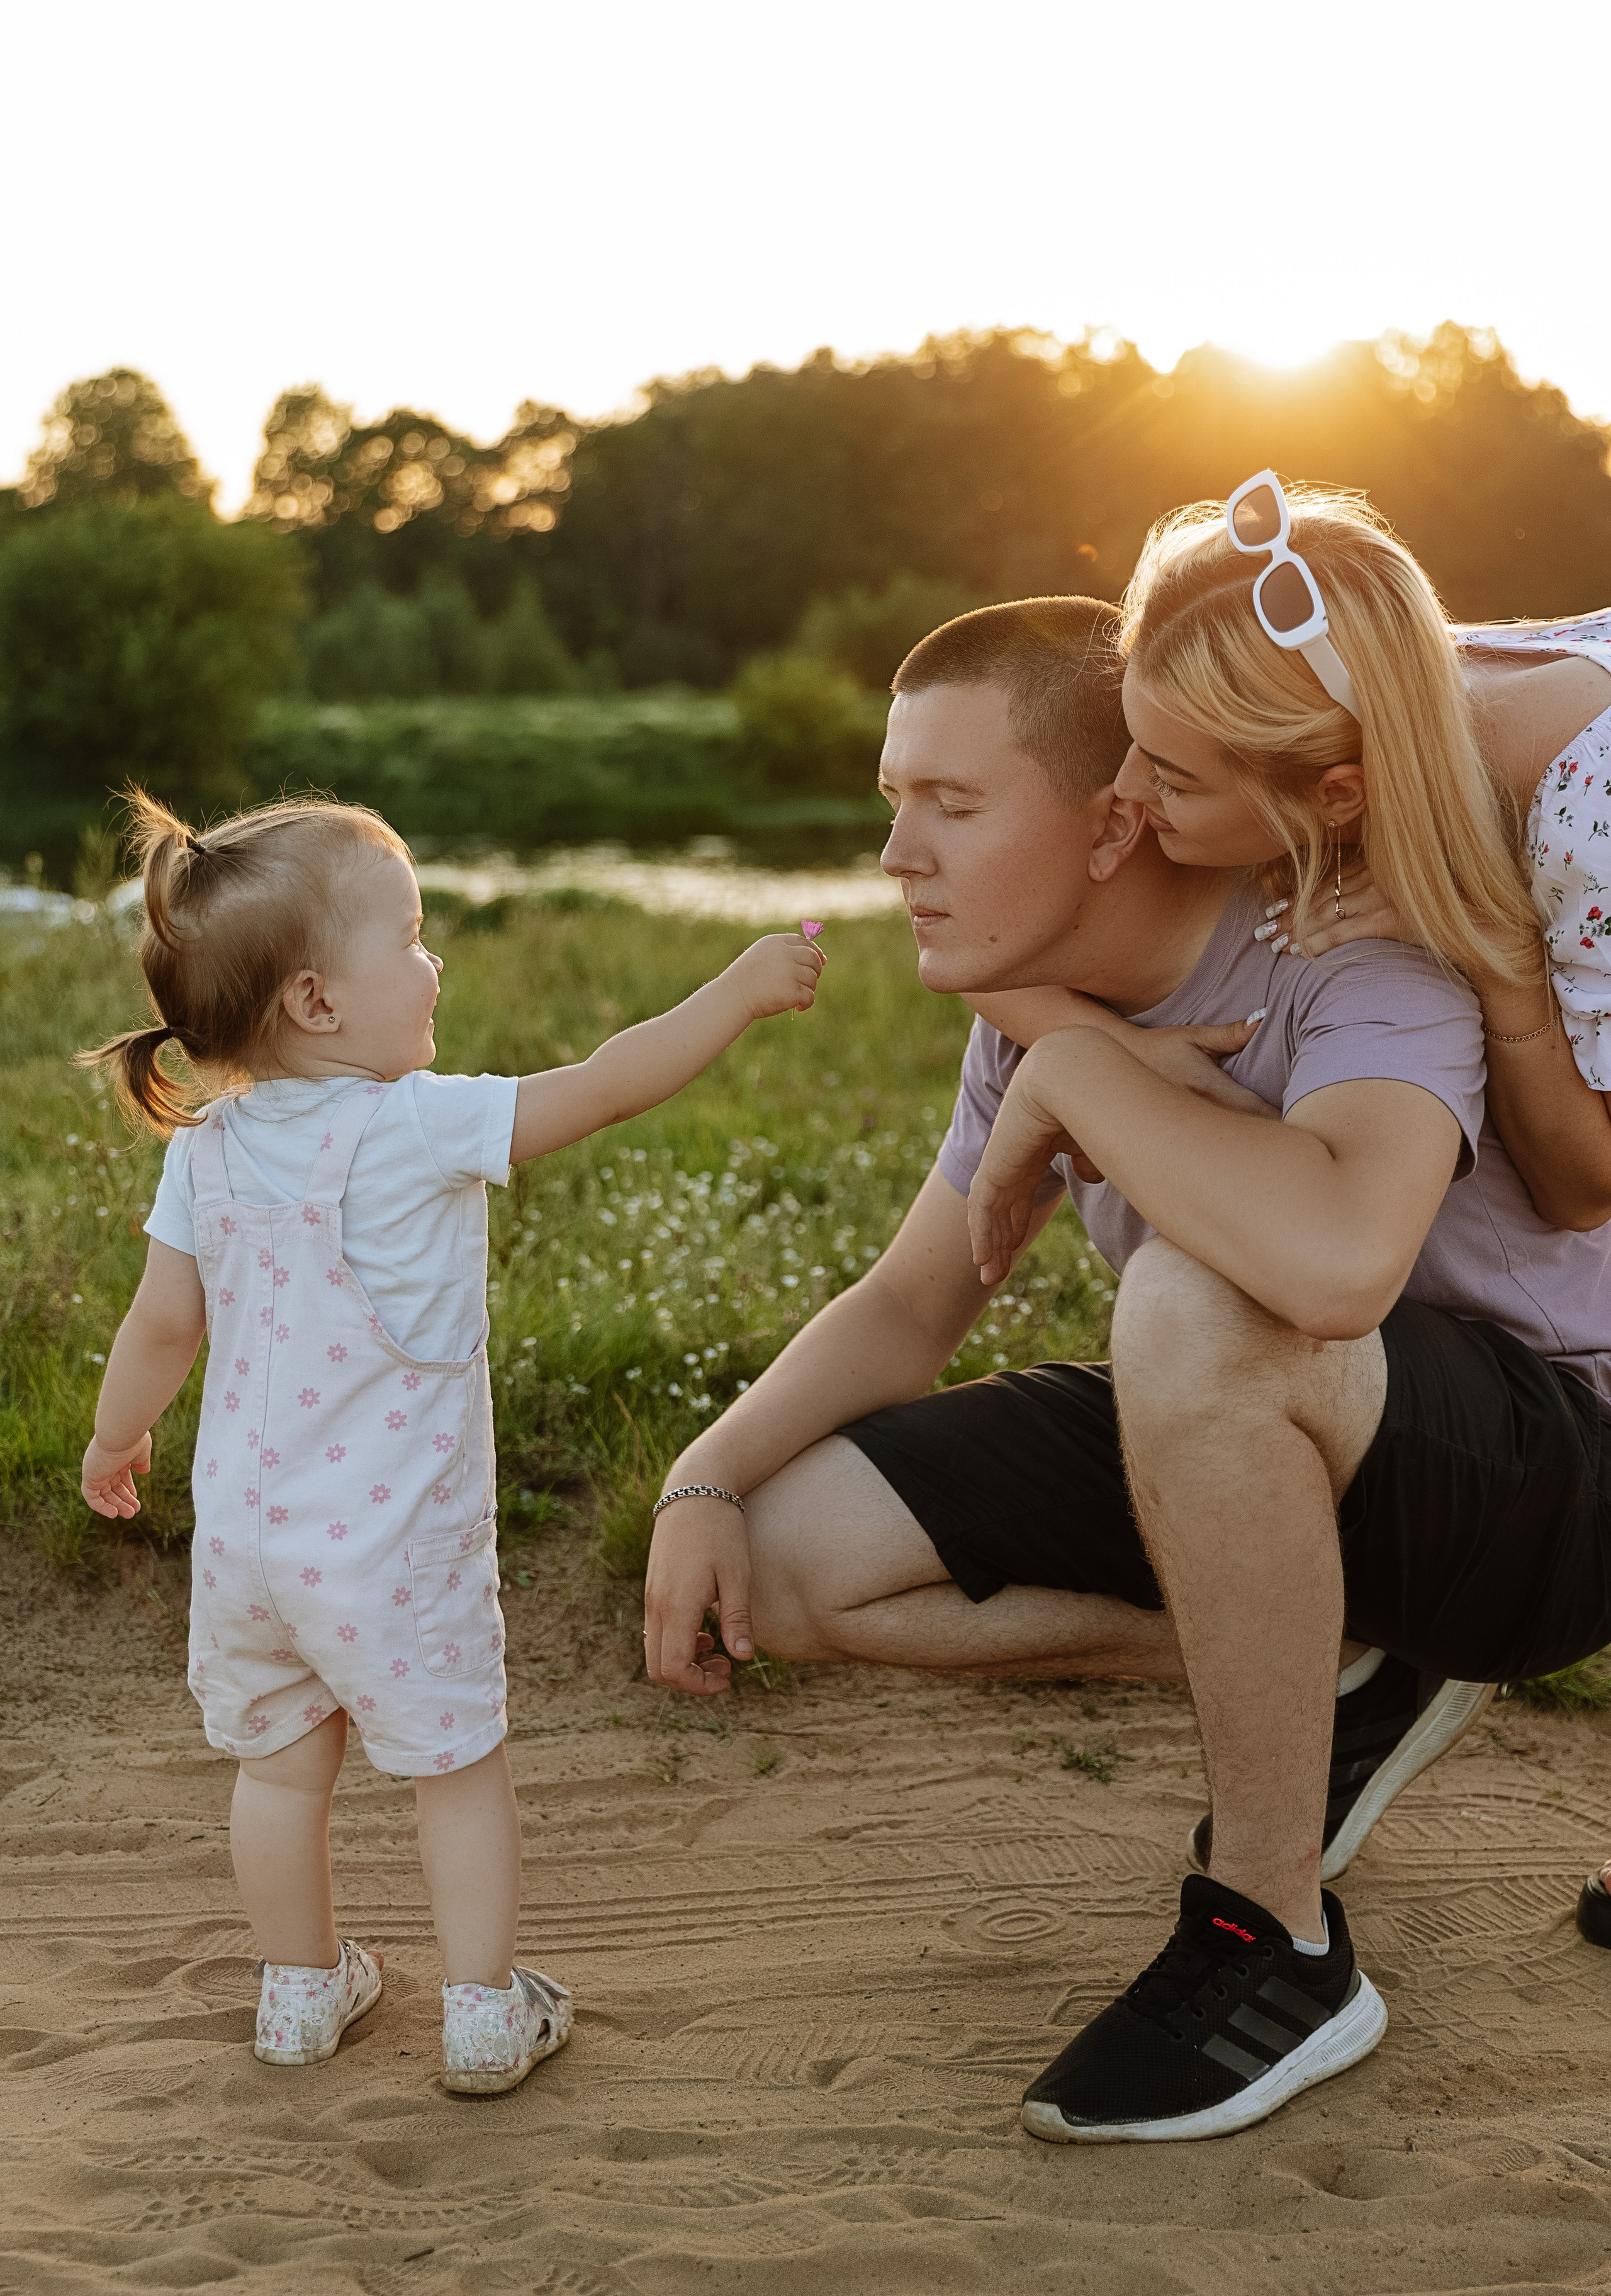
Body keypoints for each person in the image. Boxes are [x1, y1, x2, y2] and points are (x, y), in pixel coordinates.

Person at [641, 595, 1611, 2143]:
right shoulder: (1031, 1006)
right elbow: (911, 1304)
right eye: (894, 804)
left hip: (1546, 1477)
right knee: (792, 1553)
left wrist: (1083, 1071)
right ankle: (1343, 1666)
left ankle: (1273, 1938)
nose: (898, 856)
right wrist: (703, 1476)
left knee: (1188, 1302)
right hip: (1284, 1436)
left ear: (1111, 825)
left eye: (948, 808)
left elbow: (1336, 1267)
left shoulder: (1348, 949)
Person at [78, 792, 824, 2093]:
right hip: (390, 1550)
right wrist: (738, 989)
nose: (434, 963)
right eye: (411, 938)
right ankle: (483, 2012)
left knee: (279, 1772)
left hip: (251, 1548)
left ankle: (300, 1995)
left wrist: (113, 1438)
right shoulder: (413, 1126)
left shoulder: (210, 1147)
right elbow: (605, 1082)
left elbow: (160, 1322)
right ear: (316, 1002)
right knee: (456, 1769)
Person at [1101, 475, 1611, 1945]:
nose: (1126, 803)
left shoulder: (1577, 818)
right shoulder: (1347, 673)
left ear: (1335, 793)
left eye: (1168, 778)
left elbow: (1583, 1188)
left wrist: (1491, 955)